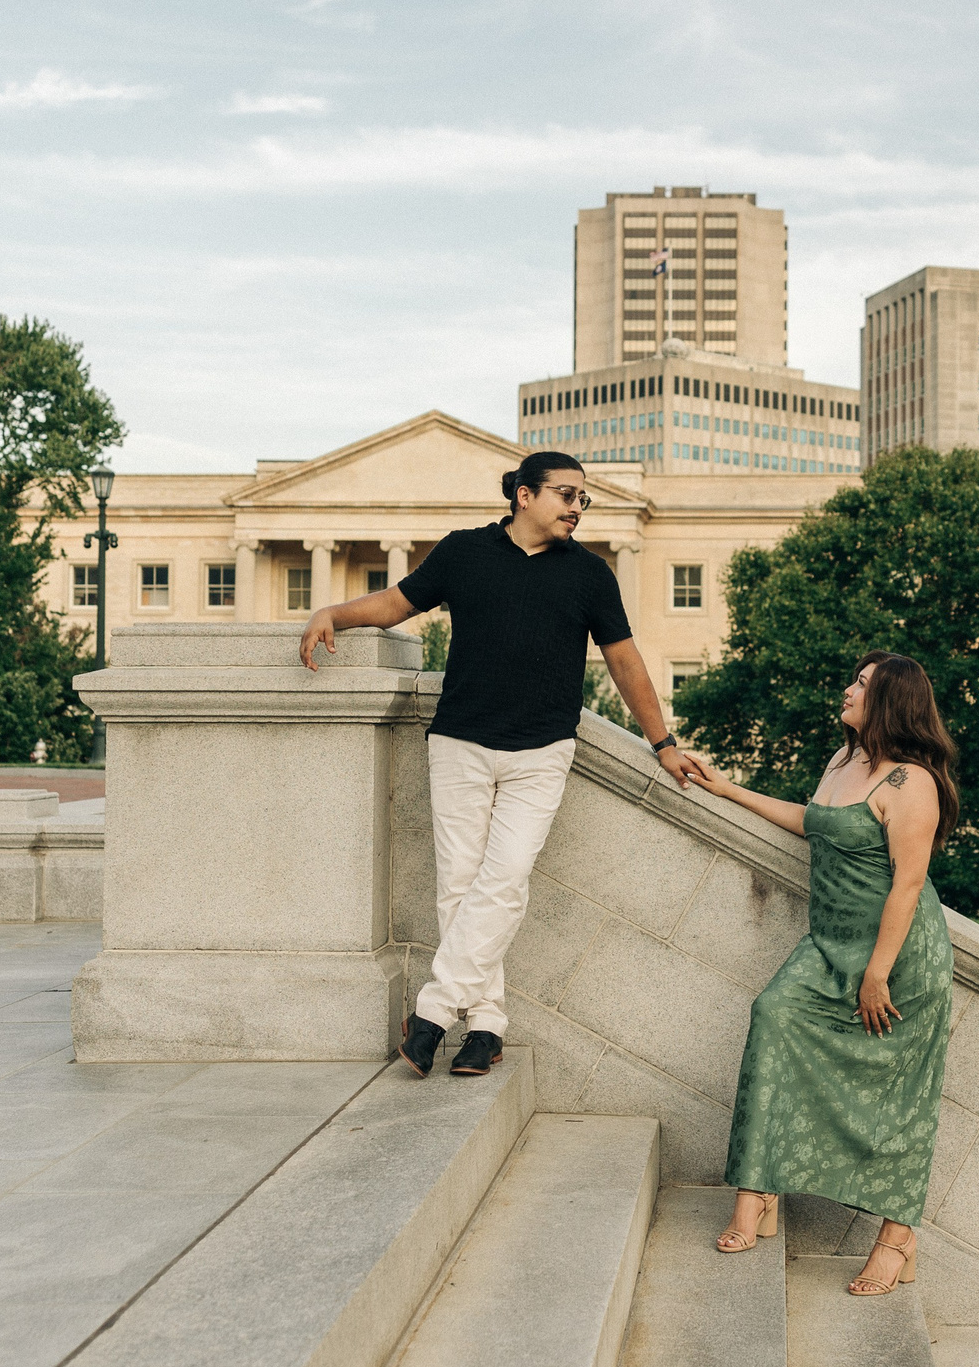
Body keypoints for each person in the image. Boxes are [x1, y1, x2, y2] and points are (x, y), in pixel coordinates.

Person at [300, 450, 703, 1077]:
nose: (577, 508)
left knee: (506, 878)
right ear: (523, 495)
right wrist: (333, 613)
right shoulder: (464, 551)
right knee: (459, 885)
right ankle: (485, 1026)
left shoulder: (591, 575)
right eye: (566, 495)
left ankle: (432, 1013)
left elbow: (625, 661)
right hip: (460, 741)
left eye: (582, 499)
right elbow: (397, 605)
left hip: (542, 751)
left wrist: (663, 743)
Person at [688, 651, 958, 1297]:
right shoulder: (843, 762)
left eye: (862, 684)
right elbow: (809, 821)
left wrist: (877, 974)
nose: (847, 689)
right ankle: (757, 1192)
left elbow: (908, 884)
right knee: (773, 1015)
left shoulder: (910, 784)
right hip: (829, 943)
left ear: (890, 700)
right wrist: (725, 787)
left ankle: (898, 1238)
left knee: (899, 1103)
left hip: (897, 964)